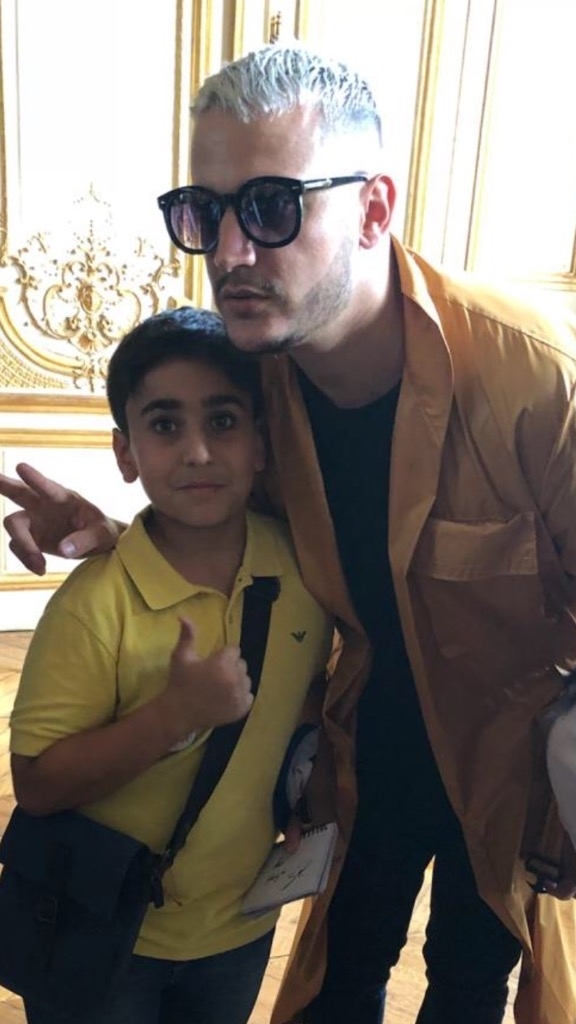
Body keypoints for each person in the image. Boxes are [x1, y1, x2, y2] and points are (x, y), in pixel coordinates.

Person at [2, 42, 576, 1024]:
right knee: (342, 970)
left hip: (508, 753)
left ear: (373, 208)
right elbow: (243, 539)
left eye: (271, 206)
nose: (229, 253)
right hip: (361, 732)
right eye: (205, 212)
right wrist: (123, 534)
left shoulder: (535, 380)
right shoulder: (263, 383)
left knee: (472, 977)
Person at [7, 305, 334, 1024]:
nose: (198, 452)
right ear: (126, 454)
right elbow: (36, 784)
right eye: (165, 425)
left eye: (223, 420)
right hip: (103, 929)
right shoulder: (95, 606)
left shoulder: (305, 571)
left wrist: (311, 791)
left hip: (238, 925)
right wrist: (172, 717)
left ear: (261, 442)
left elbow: (309, 693)